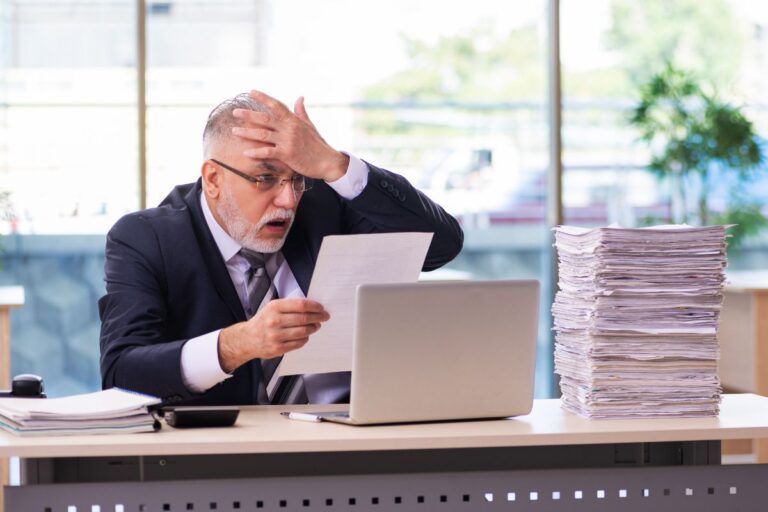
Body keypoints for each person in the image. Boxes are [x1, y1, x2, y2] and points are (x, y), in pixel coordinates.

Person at [99, 90, 463, 406]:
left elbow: (440, 246)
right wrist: (239, 343)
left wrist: (334, 165)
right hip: (225, 449)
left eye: (297, 179)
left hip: (349, 435)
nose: (288, 200)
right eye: (265, 178)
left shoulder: (322, 205)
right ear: (213, 179)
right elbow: (121, 372)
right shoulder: (147, 238)